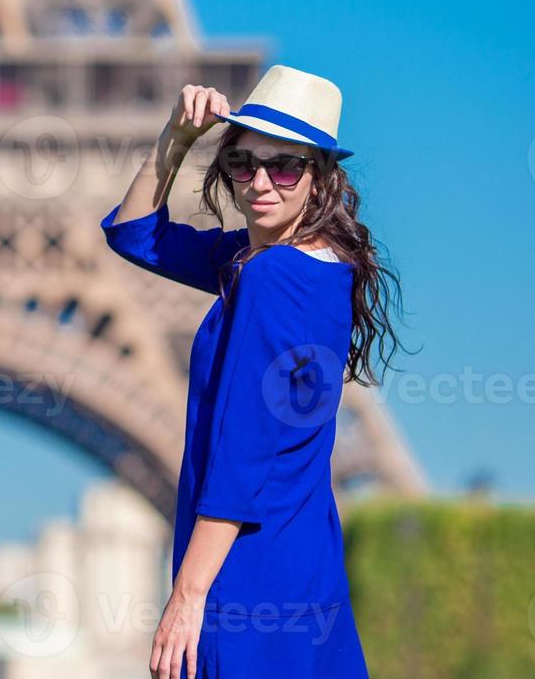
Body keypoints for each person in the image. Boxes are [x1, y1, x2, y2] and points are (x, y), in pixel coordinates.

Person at [100, 65, 411, 678]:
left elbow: (244, 452)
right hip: (302, 555)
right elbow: (135, 234)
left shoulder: (269, 277)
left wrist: (188, 596)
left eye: (285, 166)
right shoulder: (301, 265)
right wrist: (176, 135)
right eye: (243, 164)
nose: (260, 183)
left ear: (319, 179)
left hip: (244, 563)